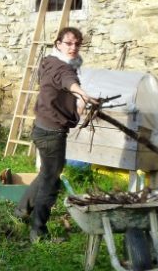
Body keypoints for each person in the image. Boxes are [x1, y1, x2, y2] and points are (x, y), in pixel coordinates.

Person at [17, 27, 98, 242]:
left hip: (42, 128)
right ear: (58, 43)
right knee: (51, 182)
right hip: (52, 133)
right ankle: (38, 233)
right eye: (69, 43)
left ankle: (21, 211)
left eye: (77, 44)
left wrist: (79, 101)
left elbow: (64, 83)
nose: (73, 47)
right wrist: (80, 92)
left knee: (47, 173)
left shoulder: (48, 61)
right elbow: (67, 80)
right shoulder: (62, 68)